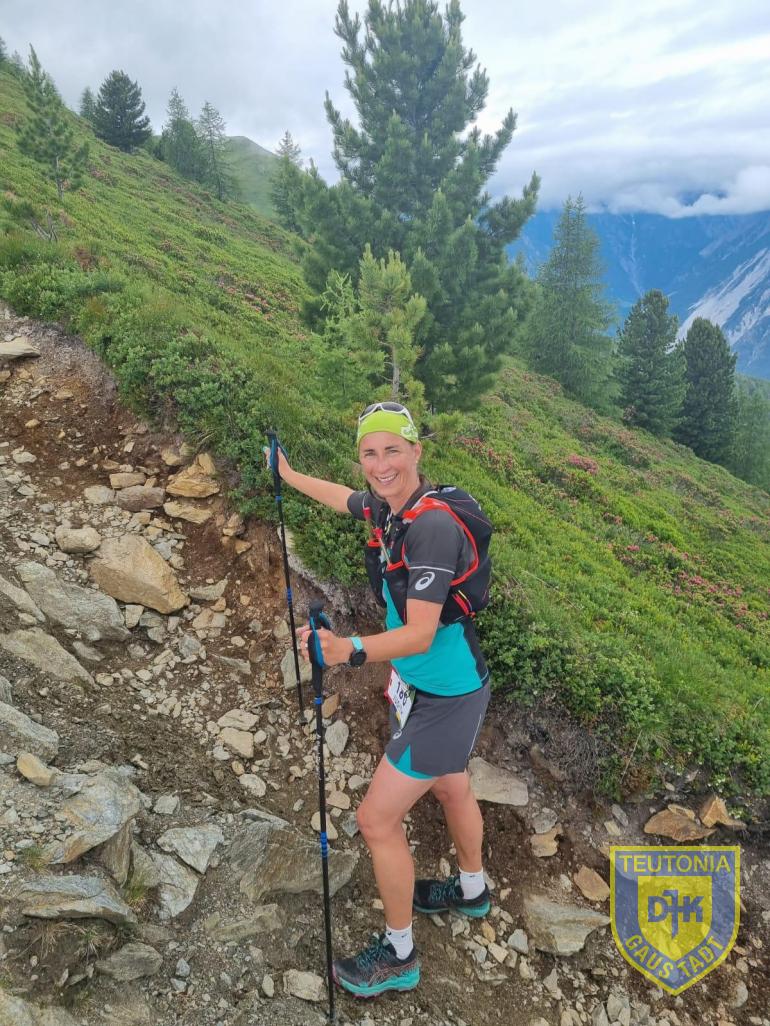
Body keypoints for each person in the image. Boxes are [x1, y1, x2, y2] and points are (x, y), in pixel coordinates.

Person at [266, 401, 491, 998]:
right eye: (370, 452)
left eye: (393, 449)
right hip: (428, 685)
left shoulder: (432, 528)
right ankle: (472, 891)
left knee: (376, 819)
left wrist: (349, 650)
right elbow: (343, 497)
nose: (381, 463)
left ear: (417, 451)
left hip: (446, 697)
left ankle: (400, 955)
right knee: (452, 787)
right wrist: (287, 474)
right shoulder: (393, 509)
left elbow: (419, 633)